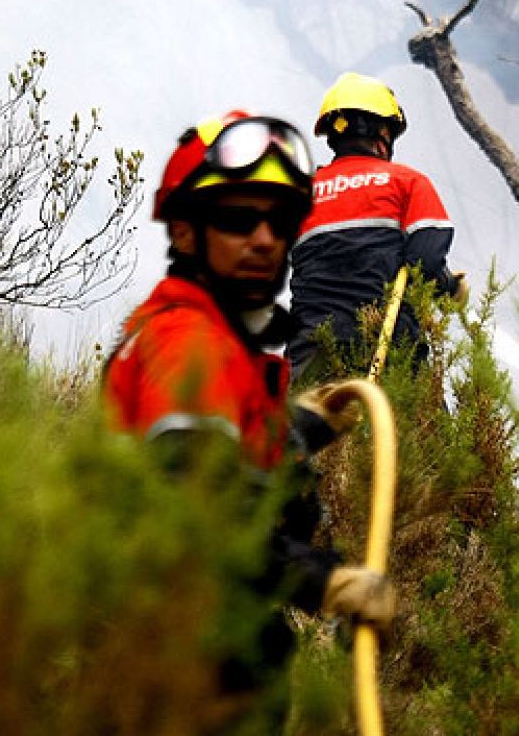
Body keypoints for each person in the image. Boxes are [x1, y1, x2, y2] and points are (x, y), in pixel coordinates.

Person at [103, 109, 396, 715]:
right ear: (185, 233)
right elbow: (204, 516)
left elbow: (221, 457)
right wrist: (326, 582)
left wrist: (304, 424)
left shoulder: (210, 343)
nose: (264, 240)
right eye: (238, 219)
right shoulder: (187, 345)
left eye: (279, 220)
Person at [287, 72, 467, 378]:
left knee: (301, 423)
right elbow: (425, 260)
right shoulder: (407, 183)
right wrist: (450, 286)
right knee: (422, 424)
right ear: (381, 133)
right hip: (387, 348)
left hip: (311, 352)